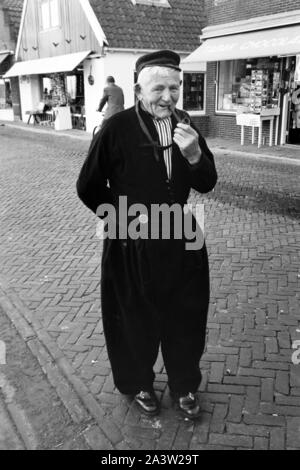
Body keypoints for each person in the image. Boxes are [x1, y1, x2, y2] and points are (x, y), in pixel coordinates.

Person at [77, 50, 218, 419]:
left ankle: (184, 385)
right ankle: (139, 382)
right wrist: (125, 222)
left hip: (184, 237)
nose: (168, 97)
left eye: (174, 88)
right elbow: (87, 186)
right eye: (159, 89)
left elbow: (207, 182)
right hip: (132, 243)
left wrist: (193, 156)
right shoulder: (116, 128)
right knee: (133, 319)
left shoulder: (186, 124)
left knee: (186, 316)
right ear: (139, 89)